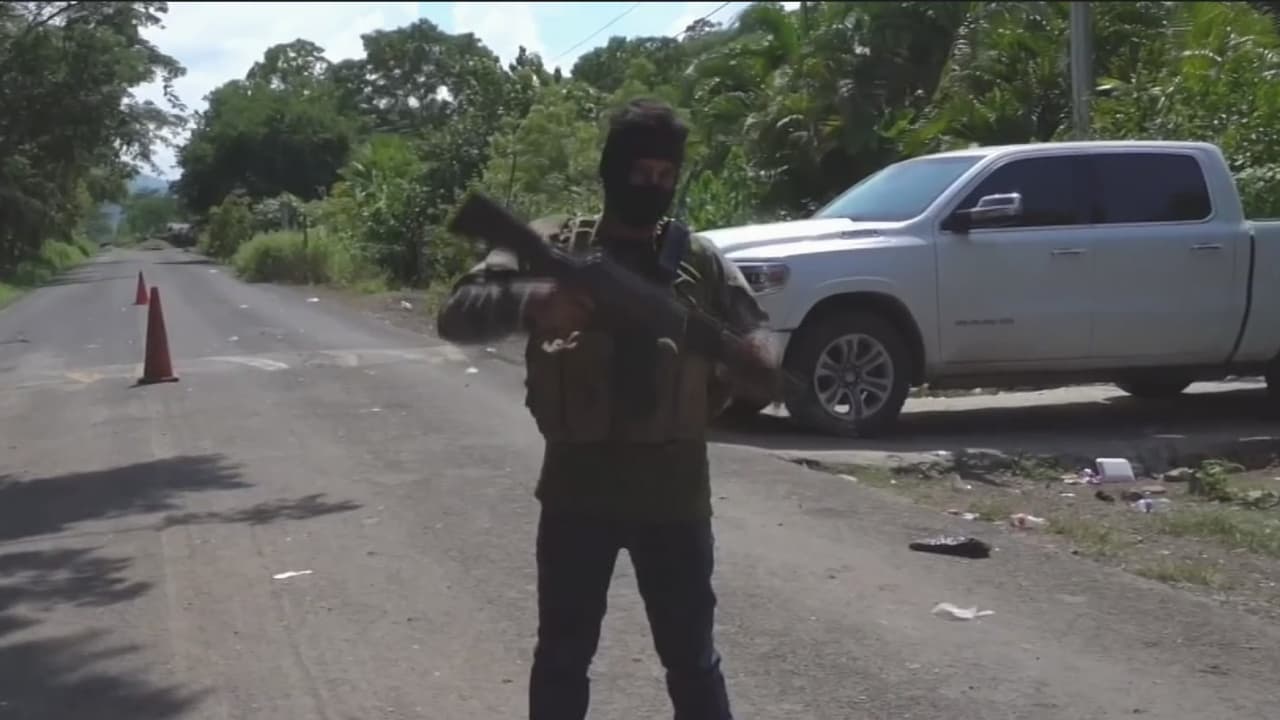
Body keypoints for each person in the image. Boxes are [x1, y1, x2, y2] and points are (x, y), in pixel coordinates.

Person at [436, 97, 777, 720]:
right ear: (611, 171)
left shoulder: (699, 261)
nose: (653, 186)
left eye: (666, 176)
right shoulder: (553, 243)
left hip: (674, 500)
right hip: (577, 495)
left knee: (693, 662)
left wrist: (756, 358)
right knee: (562, 659)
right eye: (640, 172)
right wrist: (533, 302)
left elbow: (760, 338)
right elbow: (456, 315)